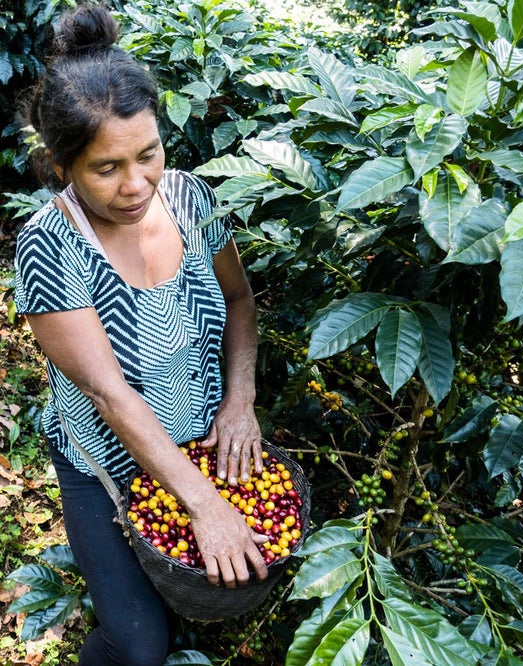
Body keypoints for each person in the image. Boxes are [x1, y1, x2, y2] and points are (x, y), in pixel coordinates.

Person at [14, 4, 268, 665]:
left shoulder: (190, 198)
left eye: (147, 155)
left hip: (201, 450)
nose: (136, 185)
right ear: (63, 164)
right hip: (109, 467)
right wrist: (204, 505)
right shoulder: (51, 246)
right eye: (106, 168)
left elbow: (239, 302)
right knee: (136, 642)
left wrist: (238, 404)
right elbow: (110, 395)